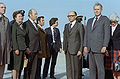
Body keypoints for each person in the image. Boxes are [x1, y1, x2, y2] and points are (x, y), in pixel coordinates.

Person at [83, 3, 110, 79]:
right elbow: (86, 34)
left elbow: (107, 34)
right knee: (91, 68)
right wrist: (85, 45)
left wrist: (105, 45)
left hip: (99, 48)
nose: (96, 11)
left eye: (98, 9)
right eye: (95, 9)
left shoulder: (105, 19)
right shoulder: (89, 20)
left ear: (101, 10)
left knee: (100, 68)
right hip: (90, 48)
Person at [63, 11, 84, 79]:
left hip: (76, 50)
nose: (70, 17)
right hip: (67, 50)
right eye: (69, 16)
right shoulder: (66, 26)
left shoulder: (79, 25)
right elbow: (65, 37)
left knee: (76, 68)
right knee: (68, 68)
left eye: (72, 16)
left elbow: (82, 39)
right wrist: (64, 49)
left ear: (75, 16)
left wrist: (80, 50)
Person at [23, 9, 41, 79]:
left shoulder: (36, 25)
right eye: (35, 14)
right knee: (27, 68)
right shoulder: (26, 24)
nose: (36, 15)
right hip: (29, 49)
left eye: (36, 14)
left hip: (36, 49)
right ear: (30, 15)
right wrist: (26, 48)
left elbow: (38, 37)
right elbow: (24, 37)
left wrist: (39, 48)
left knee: (34, 68)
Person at [105, 13, 120, 79]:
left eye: (114, 22)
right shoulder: (108, 28)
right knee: (112, 68)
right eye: (111, 21)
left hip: (117, 49)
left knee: (118, 68)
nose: (113, 23)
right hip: (110, 49)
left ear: (117, 21)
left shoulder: (119, 27)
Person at [11, 10, 26, 79]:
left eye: (22, 16)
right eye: (19, 16)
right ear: (15, 18)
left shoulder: (22, 26)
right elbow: (13, 38)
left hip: (22, 48)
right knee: (15, 67)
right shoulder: (14, 25)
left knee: (19, 66)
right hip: (17, 49)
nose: (21, 17)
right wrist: (16, 48)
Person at [0, 3, 11, 79]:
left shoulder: (7, 20)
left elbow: (9, 34)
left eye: (5, 7)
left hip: (5, 46)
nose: (4, 9)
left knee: (3, 63)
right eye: (2, 7)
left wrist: (10, 45)